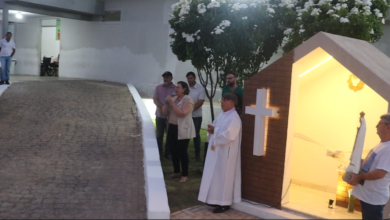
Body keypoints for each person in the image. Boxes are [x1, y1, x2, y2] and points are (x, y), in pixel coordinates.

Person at [198, 93, 242, 214]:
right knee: (216, 176)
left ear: (232, 103)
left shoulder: (234, 117)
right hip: (217, 151)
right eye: (222, 100)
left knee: (224, 177)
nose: (221, 102)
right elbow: (216, 127)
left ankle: (224, 203)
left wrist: (214, 130)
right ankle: (214, 199)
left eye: (224, 100)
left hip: (226, 154)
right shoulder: (223, 114)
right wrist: (212, 128)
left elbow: (228, 135)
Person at [347, 113, 390, 220]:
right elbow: (371, 165)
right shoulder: (382, 145)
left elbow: (379, 173)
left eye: (379, 123)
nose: (376, 126)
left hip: (373, 198)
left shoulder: (388, 149)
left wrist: (359, 177)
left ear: (388, 127)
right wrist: (357, 163)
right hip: (368, 196)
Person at [162, 81, 196, 183]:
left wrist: (172, 103)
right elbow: (164, 111)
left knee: (182, 152)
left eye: (178, 87)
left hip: (182, 129)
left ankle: (184, 174)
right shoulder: (175, 99)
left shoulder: (188, 100)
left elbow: (182, 113)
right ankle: (177, 171)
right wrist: (167, 103)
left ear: (184, 89)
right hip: (172, 127)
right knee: (173, 150)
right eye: (176, 87)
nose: (176, 89)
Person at [153, 71, 176, 159]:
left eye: (167, 77)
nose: (165, 79)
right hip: (160, 115)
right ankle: (158, 152)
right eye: (164, 77)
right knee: (159, 134)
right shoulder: (158, 88)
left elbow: (177, 101)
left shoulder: (175, 89)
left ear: (171, 78)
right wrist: (163, 107)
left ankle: (168, 153)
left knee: (170, 135)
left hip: (171, 116)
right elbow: (155, 99)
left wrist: (169, 108)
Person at [186, 71, 205, 161]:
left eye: (191, 78)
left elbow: (200, 102)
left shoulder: (200, 89)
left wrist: (189, 110)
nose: (189, 80)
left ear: (195, 78)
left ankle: (197, 153)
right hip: (185, 115)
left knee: (196, 135)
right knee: (186, 134)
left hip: (196, 116)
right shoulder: (185, 88)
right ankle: (184, 152)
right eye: (188, 78)